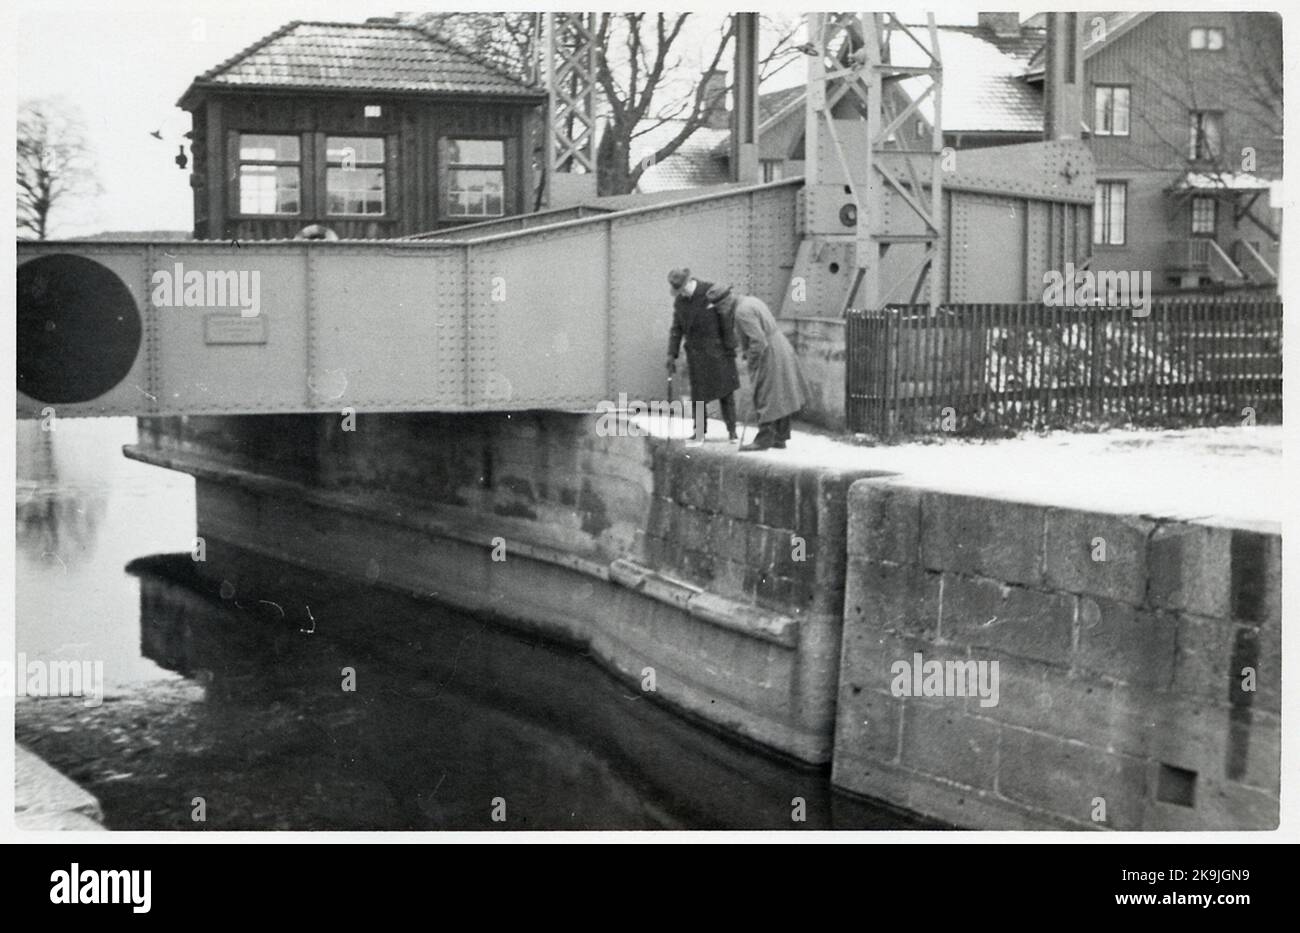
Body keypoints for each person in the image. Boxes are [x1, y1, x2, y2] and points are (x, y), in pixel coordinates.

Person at [706, 285, 807, 451]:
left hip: (769, 353)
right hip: (779, 347)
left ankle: (763, 440)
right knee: (780, 393)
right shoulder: (750, 301)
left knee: (764, 394)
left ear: (724, 303)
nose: (719, 312)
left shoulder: (741, 312)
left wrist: (752, 362)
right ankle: (779, 437)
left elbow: (758, 341)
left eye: (718, 308)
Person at [666, 268, 739, 442]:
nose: (682, 292)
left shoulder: (711, 292)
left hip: (718, 351)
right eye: (679, 290)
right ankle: (699, 432)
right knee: (698, 395)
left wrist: (730, 348)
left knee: (726, 392)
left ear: (690, 282)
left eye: (683, 288)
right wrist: (671, 354)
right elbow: (677, 329)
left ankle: (732, 430)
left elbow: (726, 321)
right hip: (696, 354)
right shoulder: (680, 302)